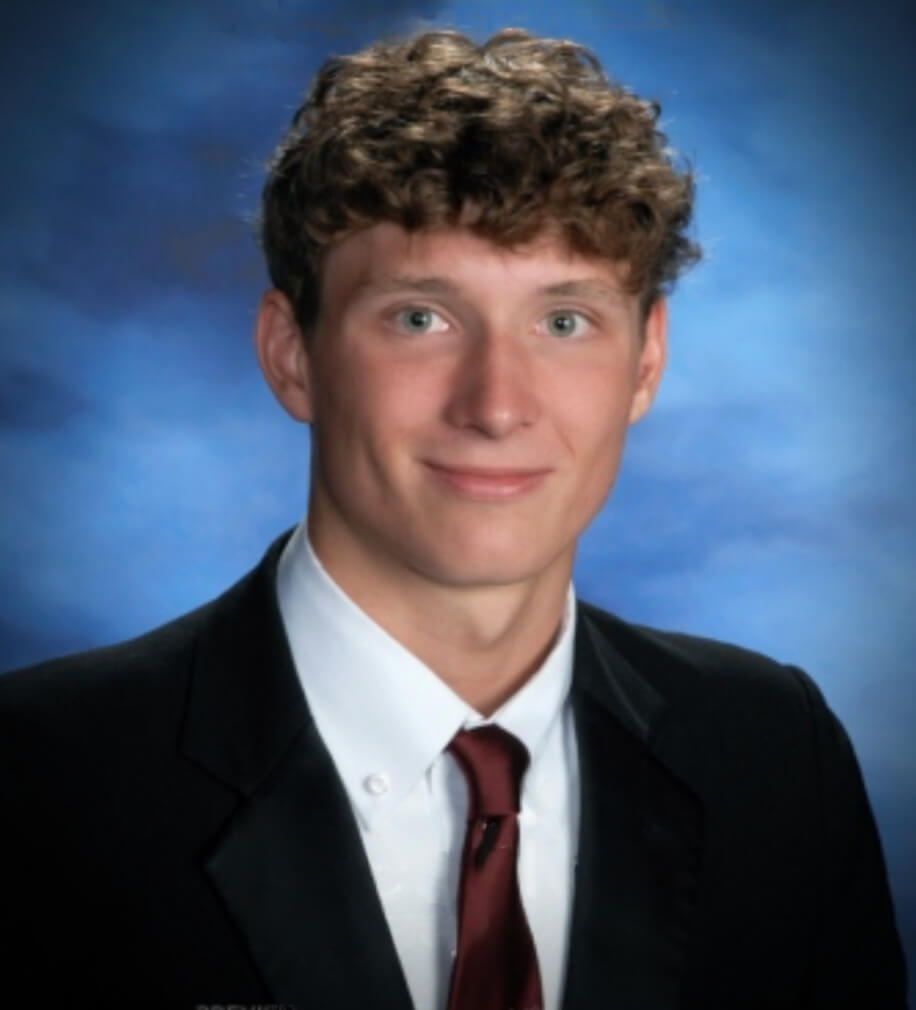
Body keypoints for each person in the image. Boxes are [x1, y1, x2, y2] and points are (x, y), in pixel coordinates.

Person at [0, 26, 907, 1010]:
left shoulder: (776, 758)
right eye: (420, 318)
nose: (496, 405)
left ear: (645, 361)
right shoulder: (38, 779)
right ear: (291, 355)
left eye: (563, 321)